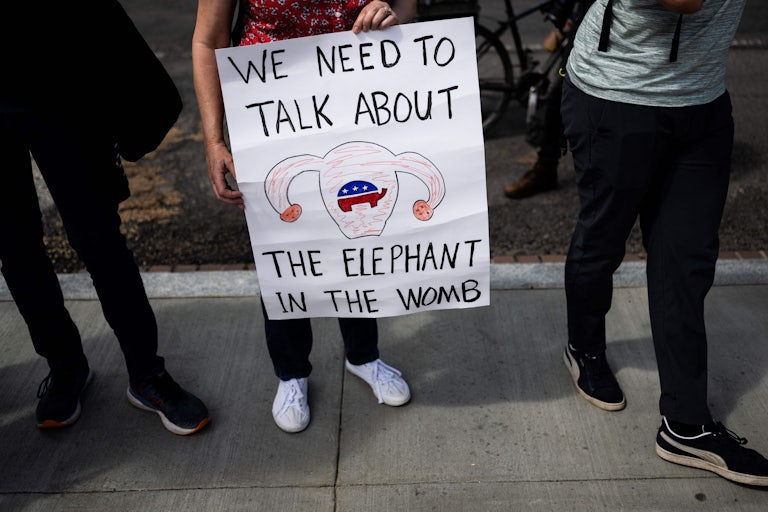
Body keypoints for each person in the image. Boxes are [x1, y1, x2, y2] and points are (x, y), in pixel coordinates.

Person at [560, 0, 768, 486]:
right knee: (602, 240)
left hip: (701, 99)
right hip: (615, 95)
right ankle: (584, 346)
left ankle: (686, 423)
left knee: (686, 260)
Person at [192, 0, 415, 434]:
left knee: (359, 236)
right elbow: (208, 39)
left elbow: (407, 4)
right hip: (269, 113)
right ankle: (291, 373)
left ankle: (363, 356)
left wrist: (393, 18)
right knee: (287, 252)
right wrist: (214, 139)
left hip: (357, 98)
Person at [0, 2, 210, 436]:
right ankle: (65, 368)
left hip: (57, 76)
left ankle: (146, 374)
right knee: (14, 248)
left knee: (99, 238)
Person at [504, 0, 591, 199]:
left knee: (564, 99)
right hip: (586, 23)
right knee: (558, 97)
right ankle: (546, 167)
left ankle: (547, 166)